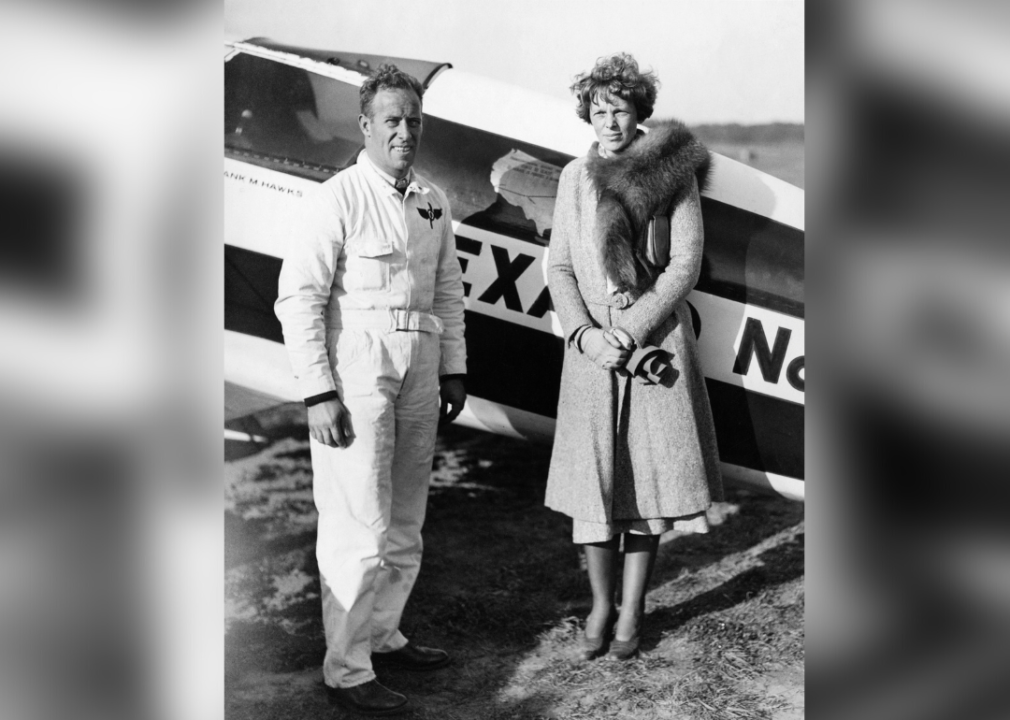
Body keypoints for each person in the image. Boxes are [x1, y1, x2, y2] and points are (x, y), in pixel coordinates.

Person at [274, 63, 467, 716]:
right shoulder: (338, 197)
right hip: (357, 369)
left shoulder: (433, 200)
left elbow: (447, 291)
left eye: (413, 120)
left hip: (421, 362)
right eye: (392, 120)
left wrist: (453, 367)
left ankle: (383, 634)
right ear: (366, 126)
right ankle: (348, 670)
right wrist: (317, 392)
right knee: (358, 522)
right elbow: (298, 298)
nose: (405, 131)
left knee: (407, 515)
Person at [545, 53, 723, 661]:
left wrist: (636, 326)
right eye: (597, 110)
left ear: (639, 111)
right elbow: (561, 267)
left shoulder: (673, 175)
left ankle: (633, 609)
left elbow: (685, 263)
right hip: (592, 355)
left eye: (619, 109)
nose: (608, 121)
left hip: (655, 352)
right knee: (592, 483)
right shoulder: (574, 178)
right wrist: (588, 335)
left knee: (646, 483)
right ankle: (598, 604)